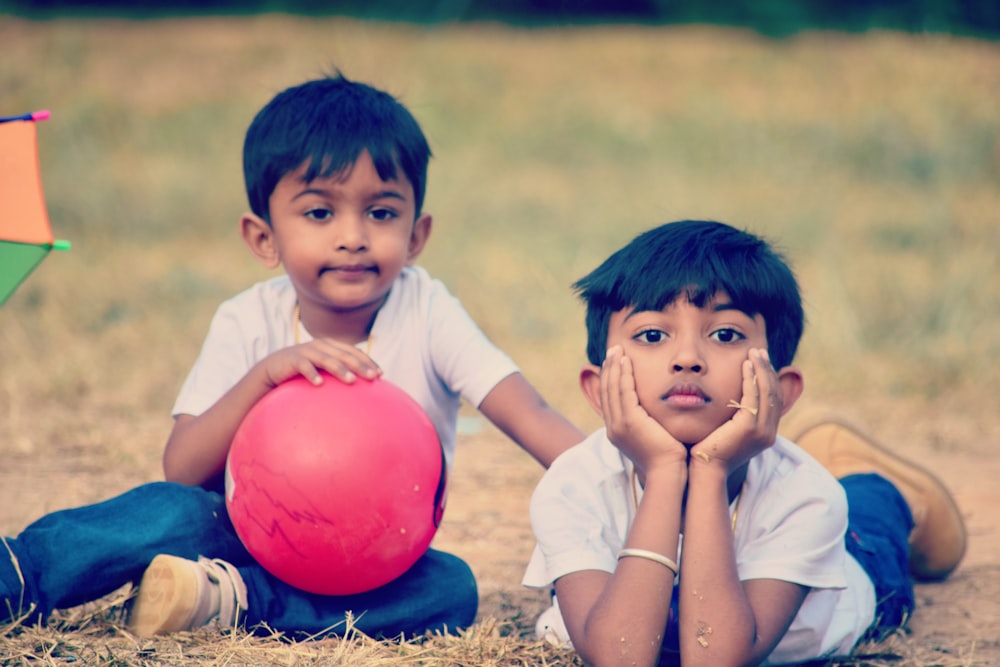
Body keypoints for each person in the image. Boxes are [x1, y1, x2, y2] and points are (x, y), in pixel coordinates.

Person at [0, 73, 584, 640]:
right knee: (170, 510)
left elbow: (528, 413)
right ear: (264, 238)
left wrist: (619, 477)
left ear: (416, 235)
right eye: (319, 213)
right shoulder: (247, 318)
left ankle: (226, 600)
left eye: (381, 213)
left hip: (372, 556)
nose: (352, 235)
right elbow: (183, 468)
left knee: (450, 589)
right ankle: (19, 576)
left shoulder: (429, 312)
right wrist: (263, 378)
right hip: (243, 532)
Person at [521, 220, 966, 666]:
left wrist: (710, 470)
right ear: (599, 389)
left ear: (780, 390)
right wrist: (664, 473)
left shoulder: (806, 496)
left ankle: (889, 490)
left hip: (852, 570)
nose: (688, 359)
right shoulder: (572, 486)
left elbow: (717, 658)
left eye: (725, 335)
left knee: (868, 522)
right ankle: (837, 454)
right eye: (653, 335)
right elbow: (619, 657)